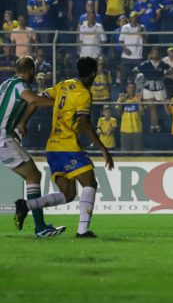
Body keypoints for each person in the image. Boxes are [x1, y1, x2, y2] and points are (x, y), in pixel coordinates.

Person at [14, 57, 115, 238]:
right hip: (68, 145)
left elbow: (36, 101)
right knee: (90, 183)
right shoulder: (84, 94)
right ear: (93, 74)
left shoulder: (63, 85)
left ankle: (26, 205)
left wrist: (23, 122)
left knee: (68, 194)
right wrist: (103, 149)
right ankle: (83, 231)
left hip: (52, 147)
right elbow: (84, 123)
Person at [0, 56, 63, 237]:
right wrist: (60, 103)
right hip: (3, 139)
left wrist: (21, 123)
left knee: (33, 176)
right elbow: (33, 99)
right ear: (31, 71)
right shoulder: (21, 86)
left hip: (6, 136)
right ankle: (40, 227)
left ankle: (39, 225)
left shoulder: (7, 83)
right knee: (33, 176)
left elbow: (31, 102)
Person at [136, 47, 173, 133]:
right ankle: (154, 125)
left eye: (156, 52)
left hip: (160, 87)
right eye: (153, 52)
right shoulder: (146, 63)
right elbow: (137, 69)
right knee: (152, 108)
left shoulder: (162, 64)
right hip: (148, 87)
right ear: (150, 54)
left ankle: (171, 124)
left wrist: (165, 74)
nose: (155, 54)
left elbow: (172, 69)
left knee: (165, 106)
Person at [116, 81, 144, 153]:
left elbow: (143, 113)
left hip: (137, 131)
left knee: (138, 154)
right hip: (125, 131)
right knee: (125, 155)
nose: (131, 89)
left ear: (135, 89)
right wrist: (121, 103)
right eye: (129, 87)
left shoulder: (139, 98)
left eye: (132, 88)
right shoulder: (121, 98)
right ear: (126, 89)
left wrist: (139, 103)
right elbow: (118, 113)